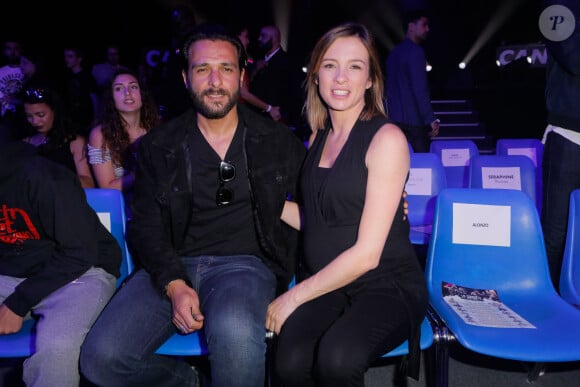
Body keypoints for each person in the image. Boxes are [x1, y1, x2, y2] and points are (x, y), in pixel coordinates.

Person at [80, 23, 306, 387]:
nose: (215, 80)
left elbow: (323, 195)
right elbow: (145, 226)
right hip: (172, 263)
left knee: (235, 335)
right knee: (101, 360)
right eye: (203, 69)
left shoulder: (276, 142)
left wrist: (384, 202)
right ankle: (186, 381)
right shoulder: (158, 147)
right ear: (186, 78)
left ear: (241, 76)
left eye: (226, 69)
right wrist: (173, 283)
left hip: (245, 265)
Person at [266, 22, 429, 386]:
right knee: (289, 361)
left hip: (385, 283)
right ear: (315, 76)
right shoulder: (317, 136)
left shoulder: (386, 138)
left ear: (370, 79)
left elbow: (368, 255)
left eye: (355, 66)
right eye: (330, 65)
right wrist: (263, 203)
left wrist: (292, 298)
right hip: (330, 283)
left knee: (337, 358)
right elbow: (316, 220)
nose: (341, 77)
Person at [0, 124, 121, 387]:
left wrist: (18, 303)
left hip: (80, 273)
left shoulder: (44, 178)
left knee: (57, 347)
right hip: (13, 273)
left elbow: (80, 252)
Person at [539, 0, 580, 291]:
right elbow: (574, 58)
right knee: (557, 229)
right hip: (569, 133)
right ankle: (547, 293)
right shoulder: (556, 6)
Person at [87, 68, 160, 211]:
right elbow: (107, 188)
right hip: (122, 210)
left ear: (142, 94)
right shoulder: (100, 135)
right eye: (119, 89)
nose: (128, 93)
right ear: (111, 98)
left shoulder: (156, 129)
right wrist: (140, 173)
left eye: (133, 86)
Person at [385, 9, 439, 152]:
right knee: (422, 166)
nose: (427, 29)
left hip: (394, 120)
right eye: (424, 24)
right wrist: (430, 119)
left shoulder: (393, 53)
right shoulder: (416, 51)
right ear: (411, 26)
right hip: (415, 122)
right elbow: (419, 88)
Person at [21, 84, 95, 188]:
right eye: (29, 116)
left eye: (40, 115)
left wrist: (55, 176)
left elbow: (88, 184)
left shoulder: (75, 143)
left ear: (55, 111)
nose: (35, 121)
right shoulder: (25, 144)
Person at [250, 24, 304, 129]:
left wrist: (284, 116)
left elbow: (294, 93)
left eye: (263, 36)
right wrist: (255, 70)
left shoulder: (287, 62)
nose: (259, 38)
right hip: (256, 119)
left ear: (274, 39)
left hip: (275, 122)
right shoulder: (259, 59)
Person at [233, 25, 282, 121]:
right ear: (236, 37)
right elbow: (244, 93)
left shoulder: (240, 59)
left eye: (263, 36)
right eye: (246, 36)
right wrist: (269, 108)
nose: (248, 41)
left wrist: (255, 71)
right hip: (237, 113)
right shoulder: (235, 59)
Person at [62, 46, 99, 138]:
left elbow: (94, 99)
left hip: (84, 119)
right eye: (66, 56)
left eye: (70, 56)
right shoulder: (67, 76)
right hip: (70, 119)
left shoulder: (87, 77)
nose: (67, 59)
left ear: (79, 59)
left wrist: (95, 118)